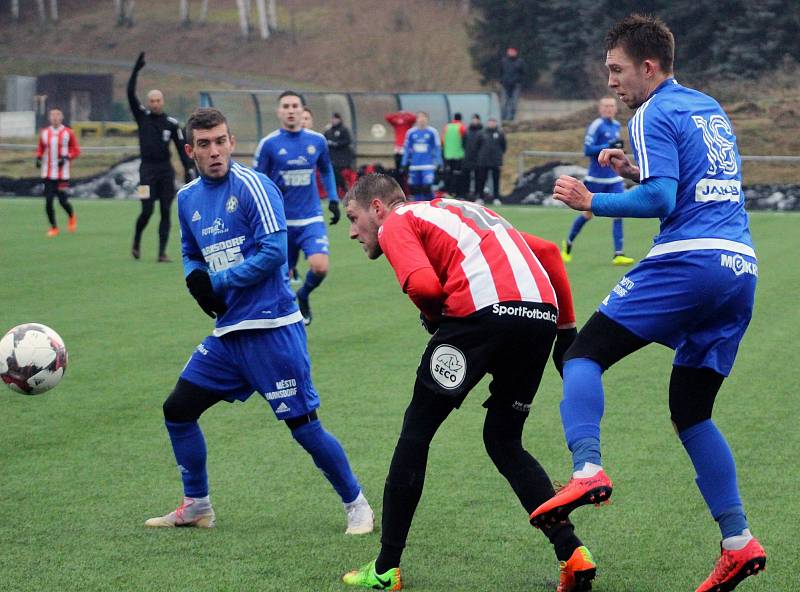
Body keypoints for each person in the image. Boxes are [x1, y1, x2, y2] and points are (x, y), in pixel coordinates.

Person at [529, 15, 766, 592]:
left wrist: (592, 201)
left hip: (690, 261)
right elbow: (686, 183)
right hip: (740, 266)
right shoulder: (707, 107)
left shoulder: (652, 111)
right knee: (692, 410)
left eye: (616, 69)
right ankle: (737, 542)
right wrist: (633, 170)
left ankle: (586, 469)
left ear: (648, 67)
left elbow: (662, 199)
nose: (611, 81)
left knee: (583, 354)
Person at [341, 173, 597, 592]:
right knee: (504, 440)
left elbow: (424, 284)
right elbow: (549, 253)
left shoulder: (397, 221)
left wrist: (434, 316)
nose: (353, 231)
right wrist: (566, 334)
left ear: (377, 208)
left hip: (481, 314)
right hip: (539, 317)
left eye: (353, 218)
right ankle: (572, 553)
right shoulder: (463, 211)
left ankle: (386, 569)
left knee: (416, 434)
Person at [144, 107, 373, 536]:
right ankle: (197, 506)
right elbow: (192, 252)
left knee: (303, 427)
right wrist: (195, 280)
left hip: (272, 329)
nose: (215, 151)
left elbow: (273, 251)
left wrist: (219, 281)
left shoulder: (254, 185)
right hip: (228, 335)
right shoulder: (187, 198)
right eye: (205, 144)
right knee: (177, 410)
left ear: (231, 142)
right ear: (190, 150)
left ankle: (357, 504)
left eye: (221, 141)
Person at [253, 91, 341, 325]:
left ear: (303, 110)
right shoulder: (269, 144)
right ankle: (286, 321)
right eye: (286, 106)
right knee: (282, 279)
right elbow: (256, 182)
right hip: (280, 222)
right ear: (279, 111)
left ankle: (303, 295)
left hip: (311, 217)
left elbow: (326, 169)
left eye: (295, 106)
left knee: (320, 267)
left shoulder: (317, 141)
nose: (291, 110)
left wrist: (333, 199)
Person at [128, 52, 195, 262]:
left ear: (162, 102)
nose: (155, 103)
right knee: (147, 210)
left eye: (158, 100)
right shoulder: (142, 117)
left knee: (166, 211)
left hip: (165, 171)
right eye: (152, 101)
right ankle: (137, 240)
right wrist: (135, 71)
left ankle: (161, 253)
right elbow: (130, 93)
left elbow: (182, 147)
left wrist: (188, 170)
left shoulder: (171, 124)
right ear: (148, 103)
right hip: (145, 172)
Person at [561, 98, 634, 266]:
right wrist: (607, 145)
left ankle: (618, 254)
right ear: (600, 109)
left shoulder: (616, 125)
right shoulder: (596, 125)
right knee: (587, 214)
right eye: (606, 106)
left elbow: (611, 149)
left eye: (612, 106)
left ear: (616, 109)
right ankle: (569, 243)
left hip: (614, 178)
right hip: (595, 178)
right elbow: (588, 150)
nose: (609, 109)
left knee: (619, 212)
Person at [36, 108, 80, 237]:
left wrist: (66, 157)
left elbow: (76, 150)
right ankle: (54, 228)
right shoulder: (44, 133)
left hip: (62, 174)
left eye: (57, 116)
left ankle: (71, 216)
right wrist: (38, 158)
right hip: (48, 173)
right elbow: (40, 148)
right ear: (49, 118)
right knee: (48, 201)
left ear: (61, 118)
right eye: (52, 116)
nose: (55, 118)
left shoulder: (68, 133)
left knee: (62, 201)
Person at [400, 111, 442, 201]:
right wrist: (404, 163)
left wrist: (439, 163)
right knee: (415, 188)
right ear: (417, 120)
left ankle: (431, 204)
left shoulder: (432, 132)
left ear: (427, 120)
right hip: (414, 166)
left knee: (426, 187)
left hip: (428, 165)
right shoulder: (411, 133)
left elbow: (437, 148)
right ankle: (419, 207)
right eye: (420, 118)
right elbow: (407, 149)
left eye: (424, 118)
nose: (422, 120)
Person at [475, 118, 506, 205]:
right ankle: (480, 197)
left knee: (496, 180)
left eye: (493, 122)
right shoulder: (481, 133)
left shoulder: (500, 133)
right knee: (482, 180)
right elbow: (477, 146)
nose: (491, 124)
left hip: (495, 161)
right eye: (490, 122)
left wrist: (498, 157)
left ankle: (496, 198)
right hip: (483, 161)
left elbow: (503, 147)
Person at [324, 112, 354, 197]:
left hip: (342, 158)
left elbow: (347, 141)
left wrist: (336, 143)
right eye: (332, 119)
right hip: (332, 157)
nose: (333, 120)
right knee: (334, 173)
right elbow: (323, 140)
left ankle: (344, 188)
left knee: (336, 172)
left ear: (339, 119)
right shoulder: (329, 130)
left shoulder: (344, 129)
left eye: (335, 119)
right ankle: (339, 191)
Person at [441, 112, 466, 197]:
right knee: (457, 174)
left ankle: (448, 192)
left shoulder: (447, 127)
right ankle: (456, 192)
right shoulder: (461, 127)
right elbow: (464, 140)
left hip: (447, 155)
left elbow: (443, 140)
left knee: (449, 174)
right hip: (458, 155)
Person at [500, 47, 525, 122]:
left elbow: (523, 73)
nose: (511, 53)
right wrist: (501, 81)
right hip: (505, 85)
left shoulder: (520, 62)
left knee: (514, 104)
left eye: (512, 51)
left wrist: (519, 82)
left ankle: (511, 119)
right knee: (504, 103)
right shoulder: (503, 61)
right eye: (509, 51)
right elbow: (500, 72)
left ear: (516, 52)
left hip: (516, 85)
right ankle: (503, 119)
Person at [462, 113, 483, 200]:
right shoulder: (467, 132)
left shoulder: (482, 132)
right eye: (473, 119)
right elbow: (463, 144)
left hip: (479, 159)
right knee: (466, 178)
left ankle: (478, 195)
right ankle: (466, 195)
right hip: (468, 158)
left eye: (476, 119)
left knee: (479, 178)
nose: (474, 121)